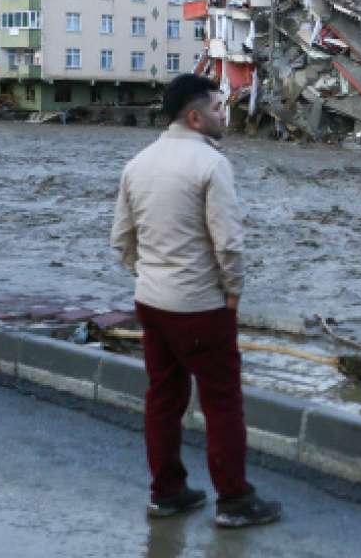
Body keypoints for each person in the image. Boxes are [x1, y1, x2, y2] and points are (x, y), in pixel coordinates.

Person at [110, 74, 281, 528]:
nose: (224, 114)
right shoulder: (210, 164)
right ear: (195, 115)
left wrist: (148, 275)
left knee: (163, 398)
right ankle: (234, 500)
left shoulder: (137, 164)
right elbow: (228, 243)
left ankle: (167, 493)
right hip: (201, 305)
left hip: (151, 300)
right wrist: (232, 292)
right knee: (222, 402)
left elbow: (121, 239)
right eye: (218, 108)